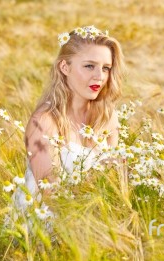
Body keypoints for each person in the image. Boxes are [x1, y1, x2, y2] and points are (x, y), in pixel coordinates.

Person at [14, 25, 125, 208]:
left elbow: (112, 182)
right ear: (65, 67)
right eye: (89, 66)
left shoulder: (108, 116)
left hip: (92, 220)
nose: (99, 76)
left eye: (106, 68)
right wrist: (102, 175)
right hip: (42, 222)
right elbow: (51, 194)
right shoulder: (43, 122)